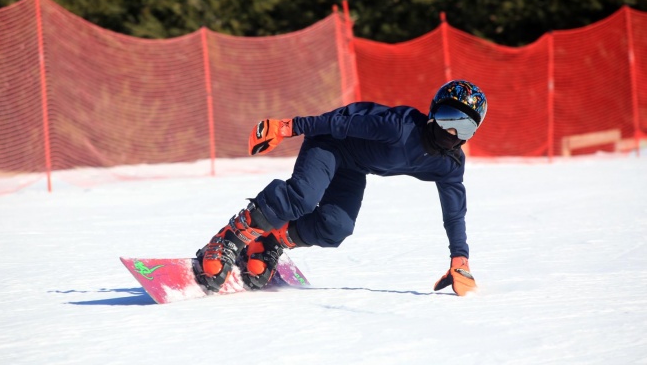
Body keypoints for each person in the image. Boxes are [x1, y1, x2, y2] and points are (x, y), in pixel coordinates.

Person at [195, 79, 487, 296]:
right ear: (434, 112)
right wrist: (286, 127)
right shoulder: (399, 128)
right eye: (450, 118)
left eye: (465, 128)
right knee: (302, 198)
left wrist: (459, 258)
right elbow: (341, 124)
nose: (452, 133)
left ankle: (271, 241)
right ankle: (229, 238)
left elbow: (454, 214)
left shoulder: (448, 164)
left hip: (354, 166)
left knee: (336, 227)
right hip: (331, 142)